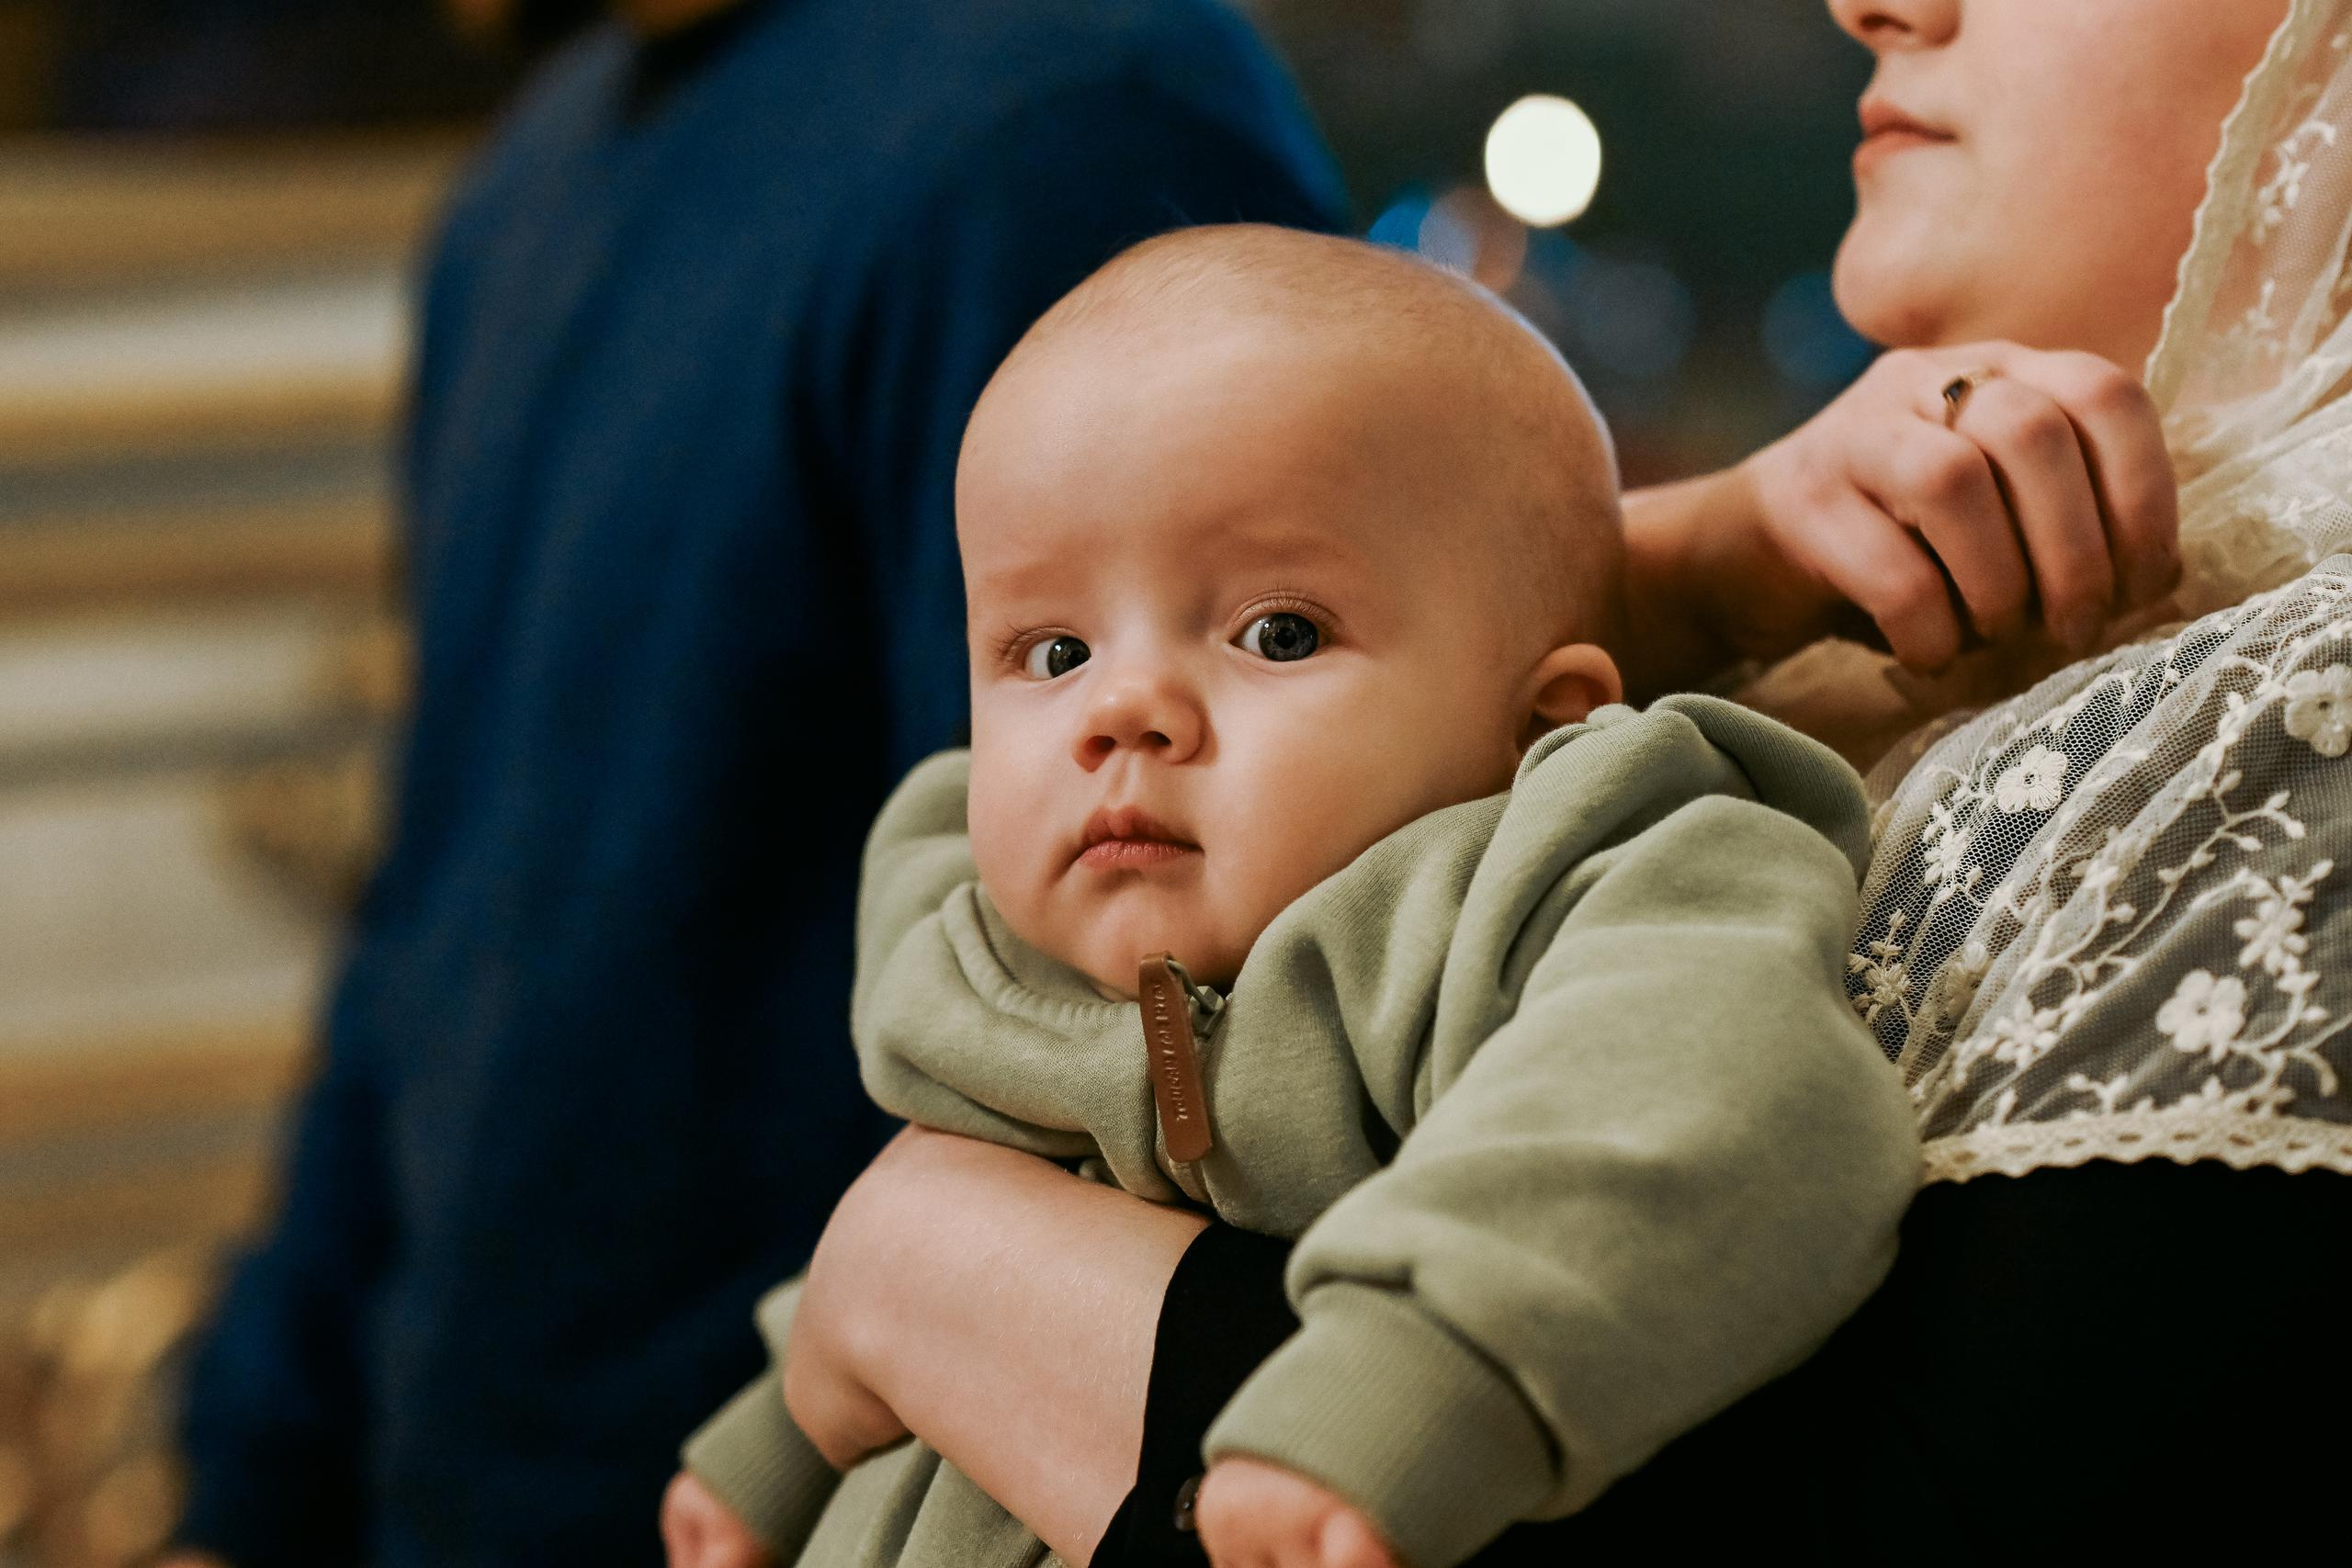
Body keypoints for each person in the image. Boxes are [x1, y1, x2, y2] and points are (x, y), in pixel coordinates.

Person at [751, 0, 2352, 1562]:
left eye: (1283, 634)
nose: (1873, 5)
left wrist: (950, 1278)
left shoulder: (2305, 714)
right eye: (1048, 654)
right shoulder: (1839, 658)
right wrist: (1697, 569)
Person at [162, 0, 1345, 1563]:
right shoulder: (532, 177)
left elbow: (1166, 1021)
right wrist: (251, 1488)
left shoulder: (1070, 119)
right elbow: (431, 910)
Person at [666, 227, 1919, 1568]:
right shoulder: (990, 954)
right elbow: (916, 1230)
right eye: (1053, 650)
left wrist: (1422, 1371)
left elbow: (1695, 1100)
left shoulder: (1532, 897)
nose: (1121, 710)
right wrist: (776, 1454)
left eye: (1279, 633)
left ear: (1542, 725)